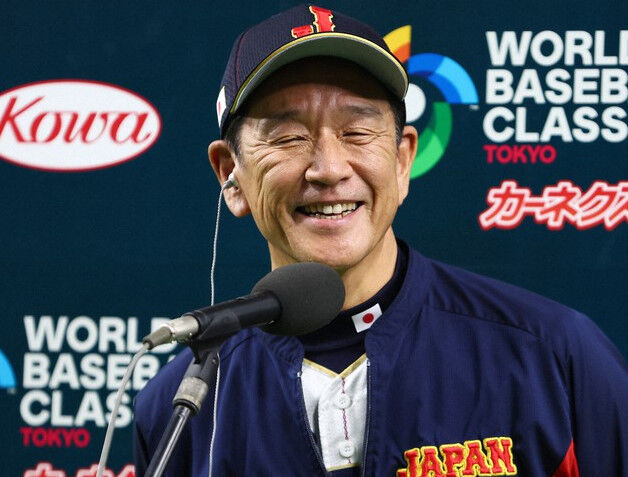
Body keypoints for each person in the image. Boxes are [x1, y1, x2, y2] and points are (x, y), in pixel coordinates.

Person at [133, 5, 627, 476]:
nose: (329, 169)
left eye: (357, 132)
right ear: (231, 176)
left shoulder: (555, 357)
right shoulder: (178, 410)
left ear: (403, 160)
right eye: (287, 137)